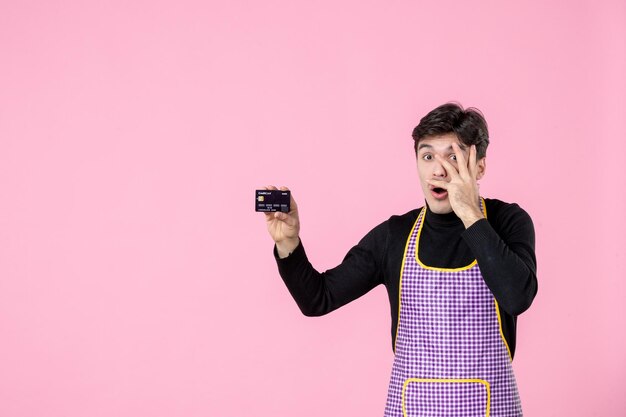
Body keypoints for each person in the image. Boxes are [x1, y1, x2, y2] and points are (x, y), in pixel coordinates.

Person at [263, 103, 537, 416]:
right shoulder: (394, 236)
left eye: (453, 156)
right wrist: (288, 242)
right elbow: (317, 299)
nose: (438, 169)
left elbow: (518, 297)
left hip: (492, 409)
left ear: (480, 167)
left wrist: (471, 215)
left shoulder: (508, 222)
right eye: (428, 156)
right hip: (411, 408)